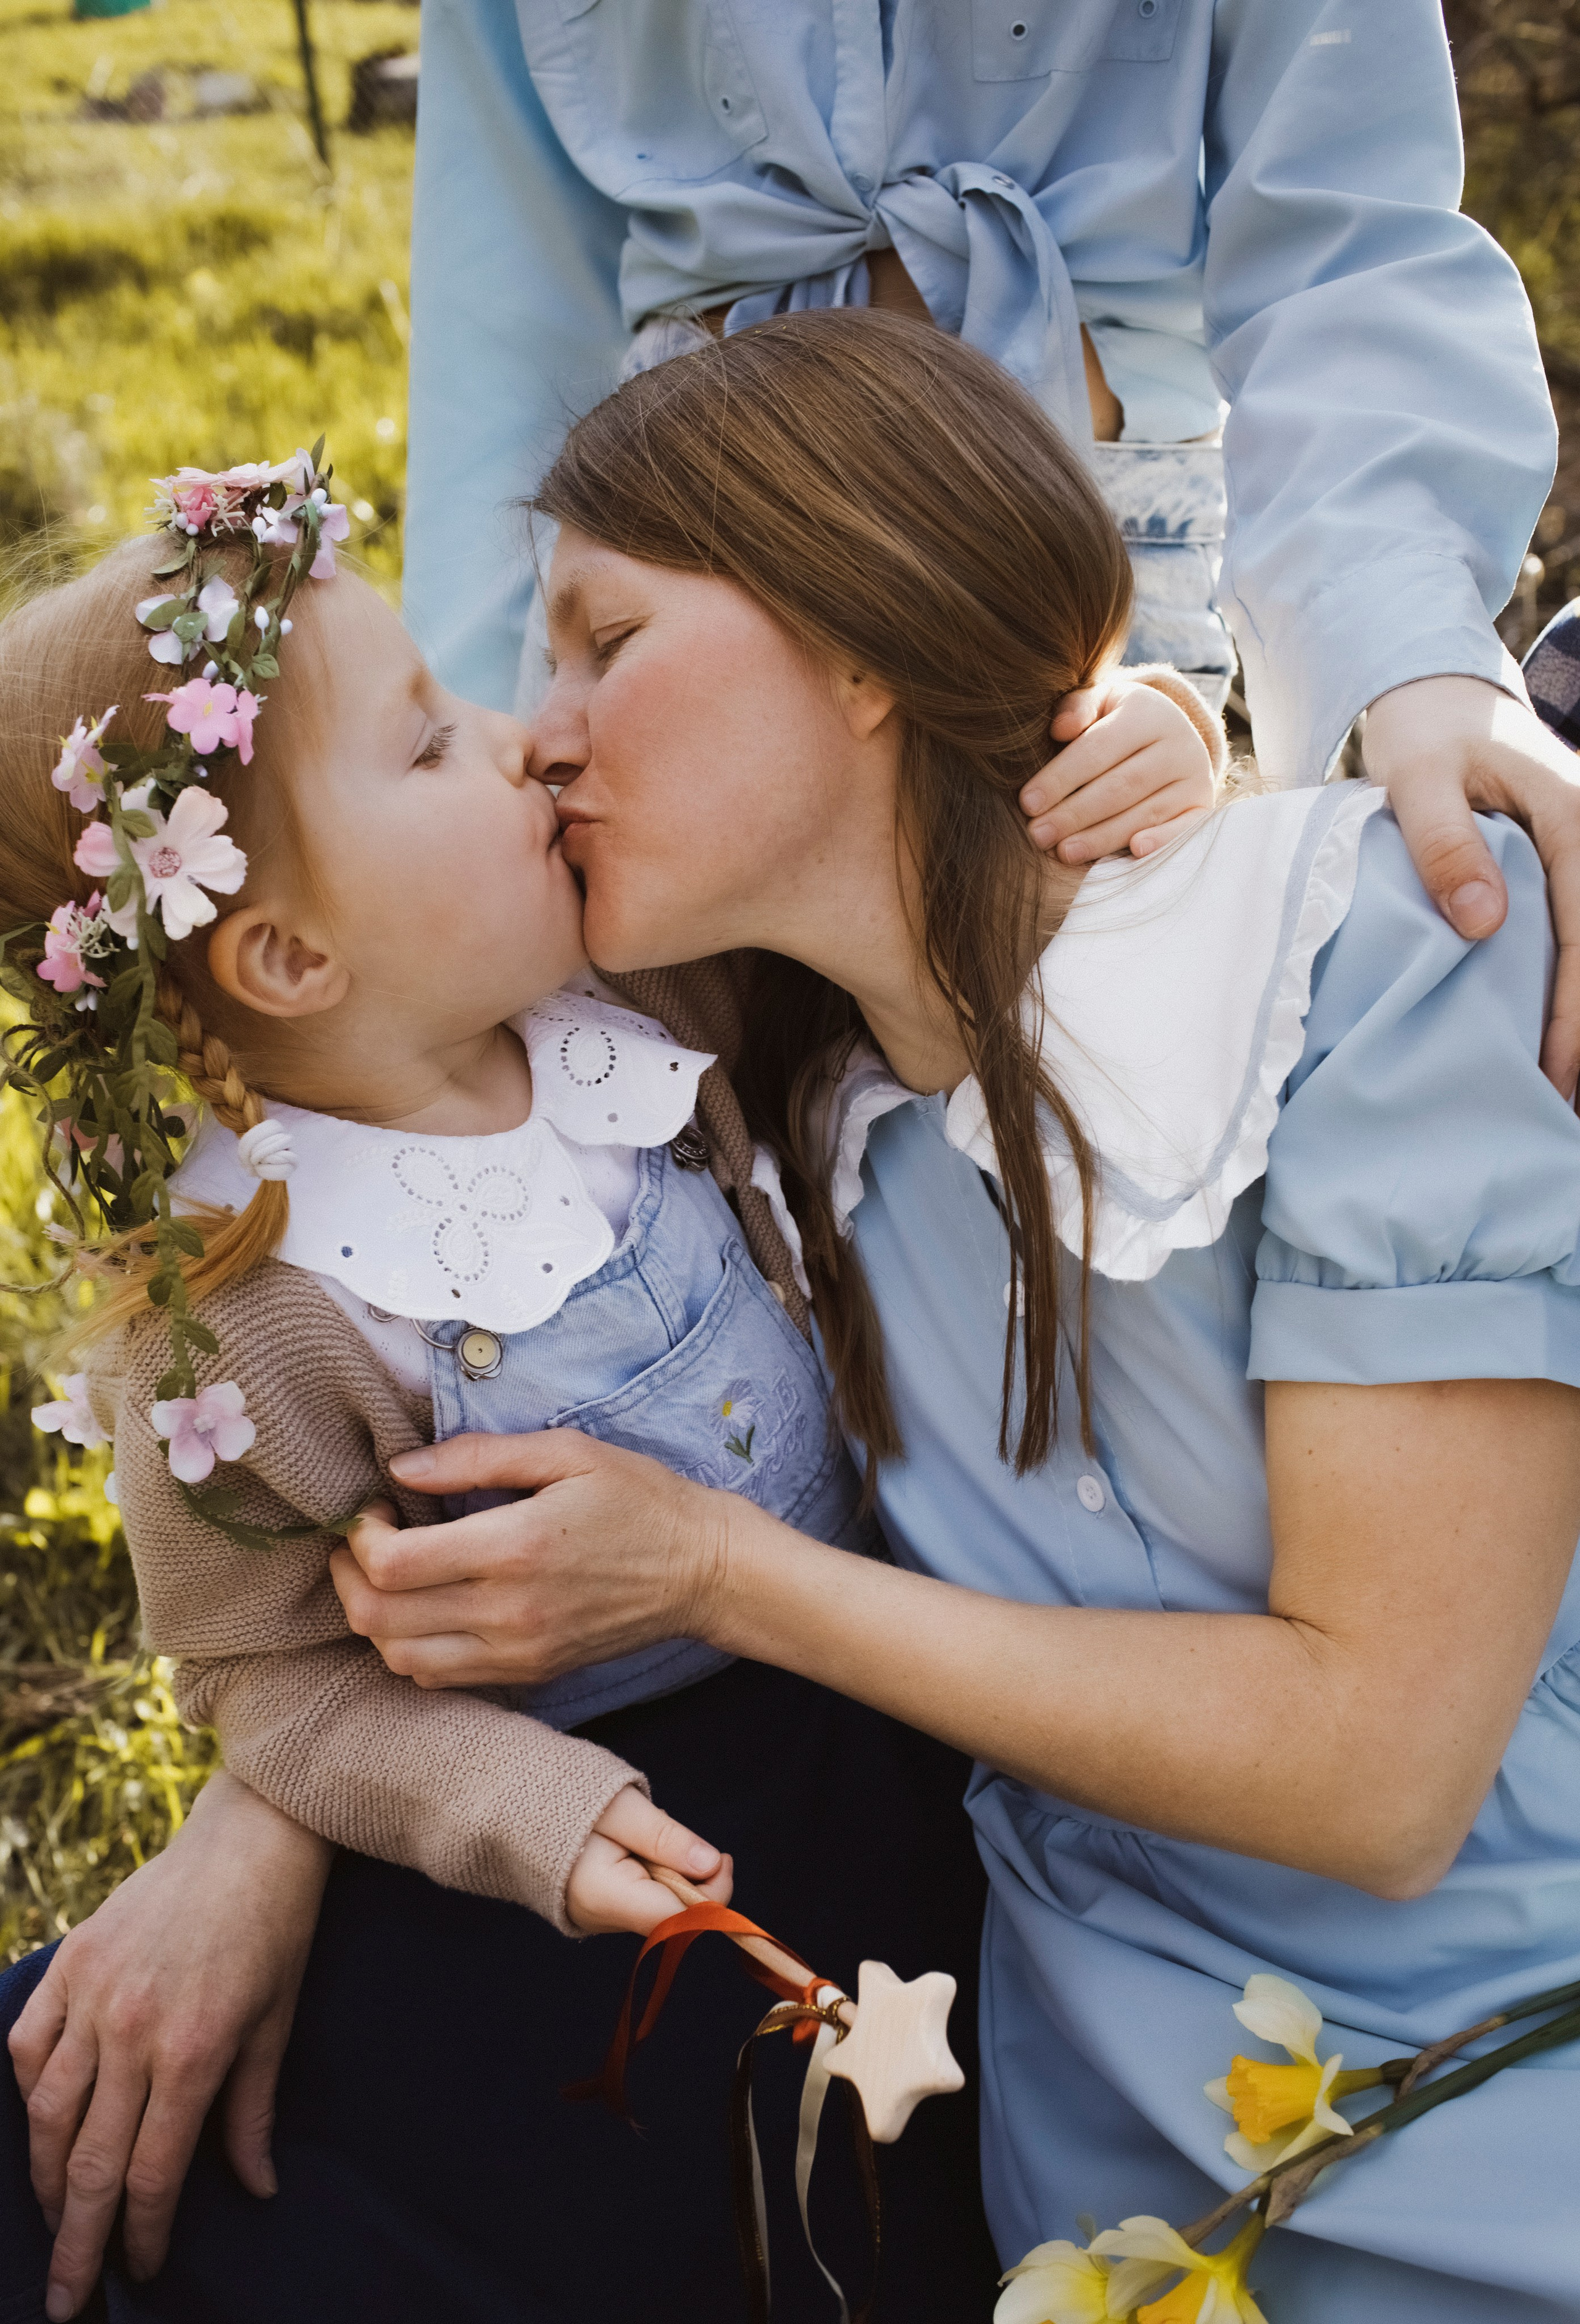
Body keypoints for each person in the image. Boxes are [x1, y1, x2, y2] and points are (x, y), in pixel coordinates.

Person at [304, 313, 1580, 2320]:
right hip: (1098, 2166)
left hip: (1512, 2071)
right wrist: (249, 1835)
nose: (540, 732)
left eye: (603, 641)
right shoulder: (758, 1110)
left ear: (866, 626)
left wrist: (720, 1573)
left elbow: (1379, 1774)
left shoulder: (1358, 964)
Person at [6, 447, 1216, 2314]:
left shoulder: (643, 1006)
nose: (517, 743)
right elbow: (268, 1680)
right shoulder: (258, 1312)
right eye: (427, 745)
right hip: (578, 1836)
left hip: (864, 1724)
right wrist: (526, 1813)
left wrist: (1145, 741)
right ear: (290, 951)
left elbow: (900, 879)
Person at [405, 0, 1580, 1095]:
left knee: (1133, 1103)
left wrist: (1409, 659)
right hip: (677, 592)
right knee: (759, 1167)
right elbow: (502, 323)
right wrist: (472, 792)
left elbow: (1345, 219)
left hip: (1084, 557)